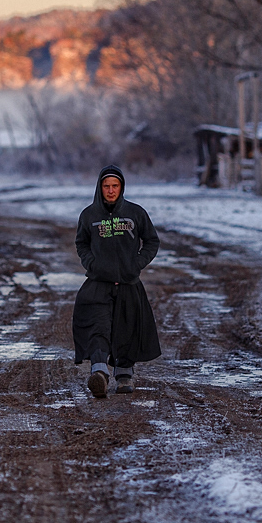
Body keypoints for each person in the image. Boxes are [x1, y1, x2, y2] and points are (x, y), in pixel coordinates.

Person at [73, 165, 161, 398]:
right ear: (99, 188)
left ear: (121, 187)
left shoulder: (136, 213)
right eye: (106, 186)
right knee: (98, 326)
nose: (111, 190)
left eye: (115, 186)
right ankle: (99, 372)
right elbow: (81, 243)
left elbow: (152, 241)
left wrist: (137, 264)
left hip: (128, 282)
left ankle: (124, 375)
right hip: (99, 283)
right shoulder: (89, 215)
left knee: (127, 328)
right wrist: (91, 263)